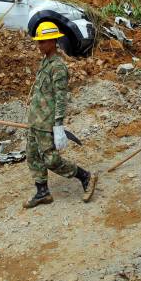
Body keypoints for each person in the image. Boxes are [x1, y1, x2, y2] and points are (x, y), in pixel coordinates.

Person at [24, 21, 97, 208]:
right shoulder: (45, 62)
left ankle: (85, 176)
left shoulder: (58, 67)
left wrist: (58, 126)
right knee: (32, 155)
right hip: (35, 121)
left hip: (47, 123)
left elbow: (60, 98)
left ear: (53, 41)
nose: (39, 46)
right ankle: (42, 192)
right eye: (38, 42)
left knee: (51, 160)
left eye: (42, 42)